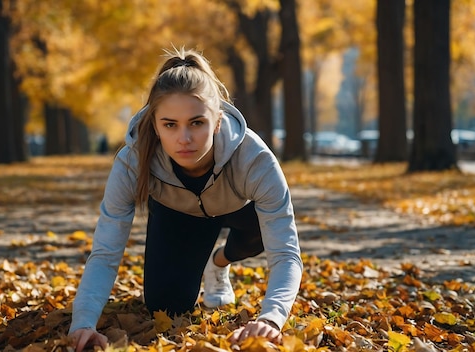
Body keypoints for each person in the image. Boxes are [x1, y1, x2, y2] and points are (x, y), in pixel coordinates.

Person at [68, 48, 303, 351]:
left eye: (196, 123)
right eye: (170, 125)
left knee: (261, 233)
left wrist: (271, 319)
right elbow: (105, 252)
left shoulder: (254, 157)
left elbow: (286, 253)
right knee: (166, 307)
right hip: (180, 215)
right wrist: (83, 324)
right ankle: (196, 264)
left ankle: (218, 263)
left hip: (240, 213)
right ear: (155, 125)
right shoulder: (132, 160)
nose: (184, 139)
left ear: (217, 121)